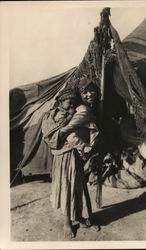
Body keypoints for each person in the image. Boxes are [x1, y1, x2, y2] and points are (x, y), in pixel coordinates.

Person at [42, 82, 100, 239]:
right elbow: (62, 134)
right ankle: (67, 222)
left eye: (74, 103)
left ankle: (81, 218)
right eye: (69, 103)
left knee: (78, 186)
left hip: (74, 153)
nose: (71, 106)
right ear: (60, 102)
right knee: (67, 186)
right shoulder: (58, 115)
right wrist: (83, 146)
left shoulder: (75, 111)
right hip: (65, 155)